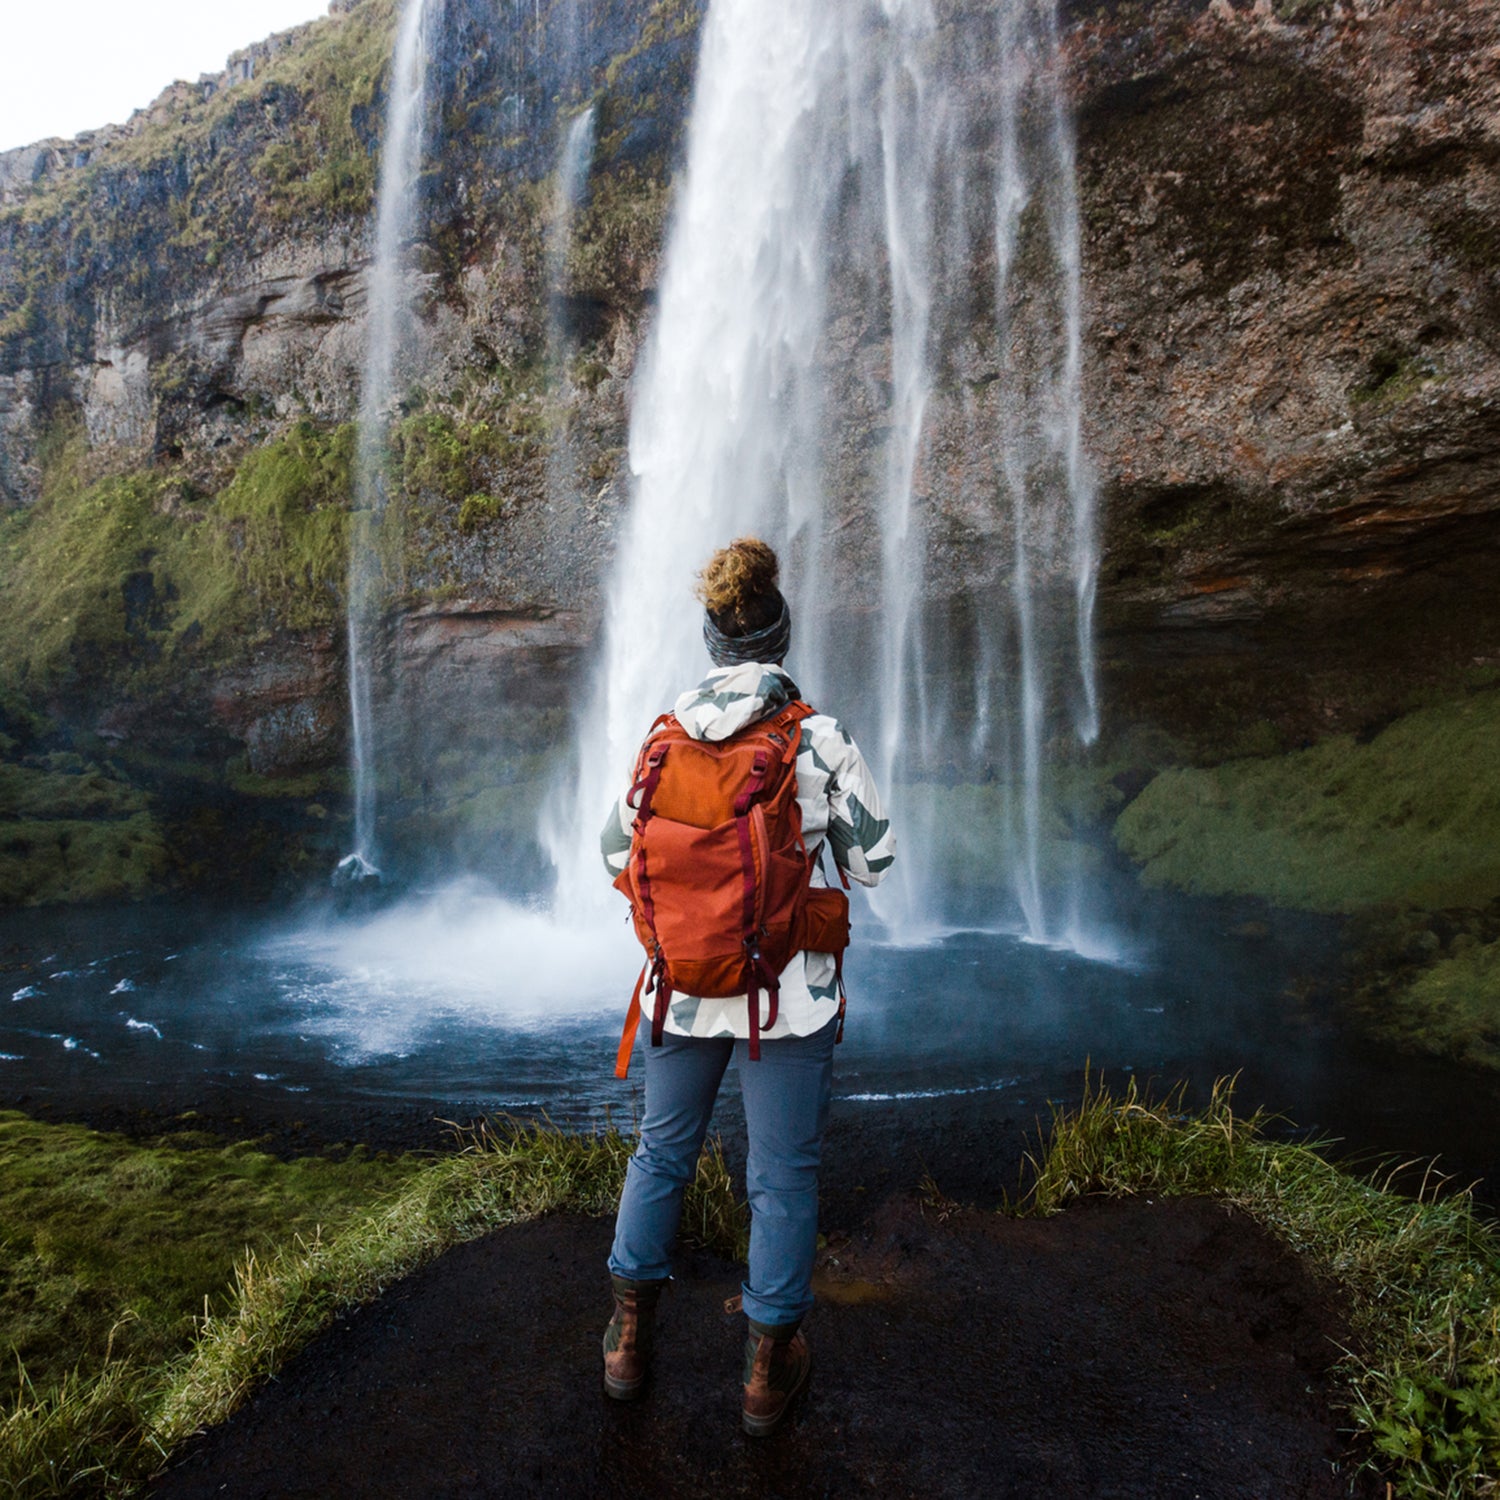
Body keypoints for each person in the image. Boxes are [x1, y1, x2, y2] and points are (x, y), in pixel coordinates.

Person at [599, 536, 895, 1436]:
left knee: (661, 1152)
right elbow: (875, 864)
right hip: (785, 999)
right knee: (781, 1175)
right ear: (783, 635)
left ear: (712, 641)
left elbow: (615, 855)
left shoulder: (663, 737)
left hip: (682, 987)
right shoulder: (818, 738)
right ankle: (768, 1370)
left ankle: (626, 1341)